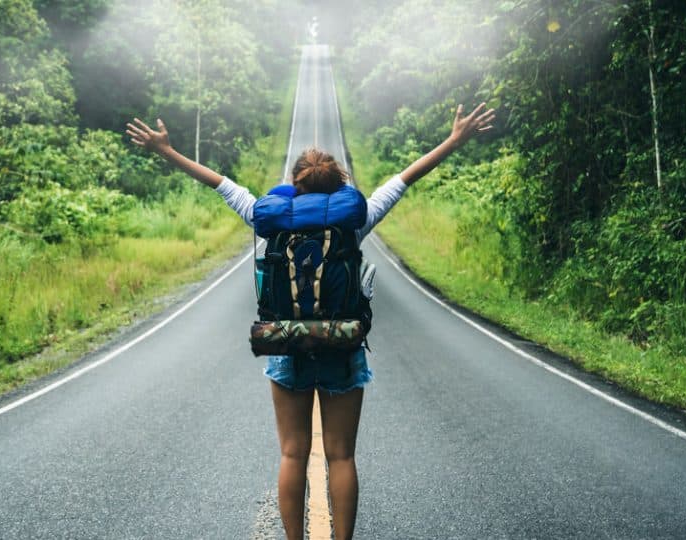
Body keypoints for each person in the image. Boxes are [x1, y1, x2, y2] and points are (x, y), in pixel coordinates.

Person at [126, 102, 494, 540]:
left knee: (292, 455)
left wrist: (166, 151)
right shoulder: (351, 222)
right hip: (343, 346)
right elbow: (404, 179)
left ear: (294, 185)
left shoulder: (272, 222)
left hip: (286, 344)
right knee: (340, 457)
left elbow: (220, 184)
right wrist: (455, 139)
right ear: (339, 184)